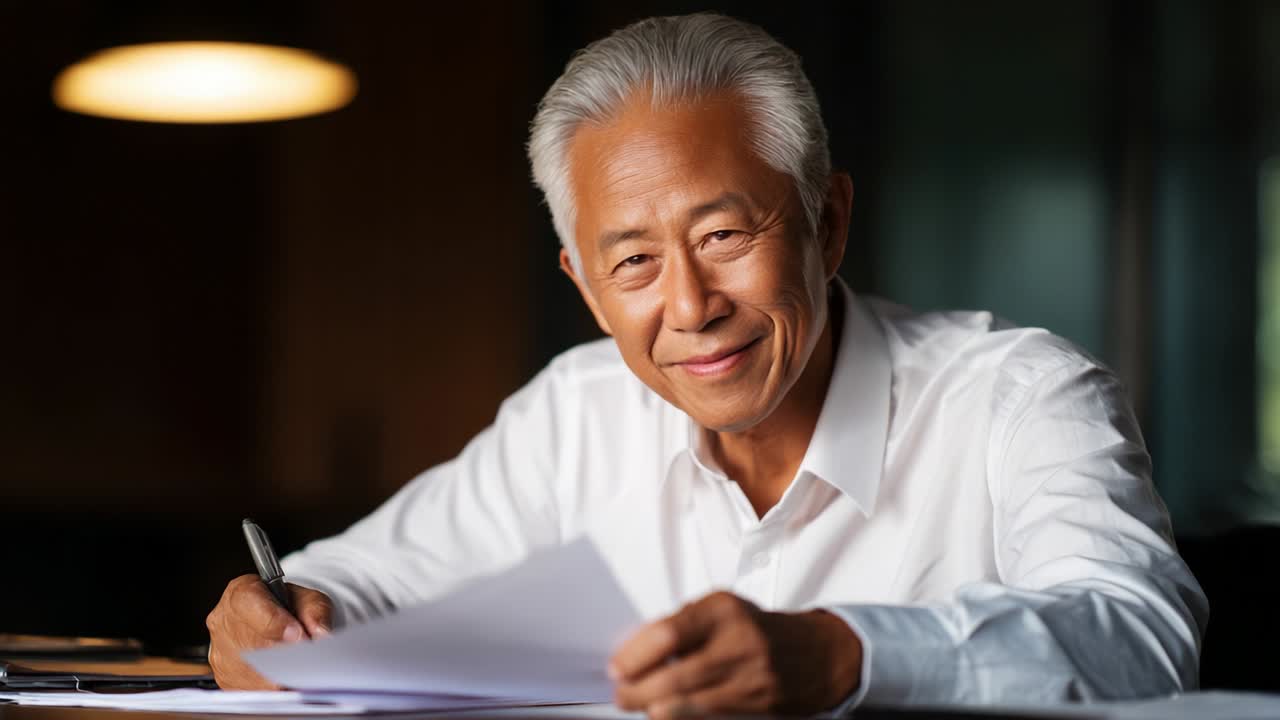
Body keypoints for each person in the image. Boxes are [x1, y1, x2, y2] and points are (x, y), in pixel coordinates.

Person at [205, 13, 1208, 716]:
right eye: (633, 261)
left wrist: (839, 655)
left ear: (827, 221)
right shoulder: (573, 413)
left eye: (725, 236)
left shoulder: (1018, 397)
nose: (688, 308)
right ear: (586, 288)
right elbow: (366, 576)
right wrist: (284, 613)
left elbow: (1134, 632)